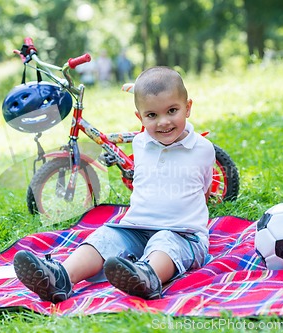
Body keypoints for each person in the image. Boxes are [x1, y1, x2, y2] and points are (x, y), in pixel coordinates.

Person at [13, 66, 215, 303]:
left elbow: (205, 192)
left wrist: (187, 221)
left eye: (172, 111)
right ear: (140, 118)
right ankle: (60, 277)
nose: (163, 122)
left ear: (188, 108)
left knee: (165, 243)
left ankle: (148, 277)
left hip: (184, 234)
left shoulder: (202, 149)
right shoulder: (140, 143)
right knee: (105, 237)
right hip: (137, 227)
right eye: (152, 115)